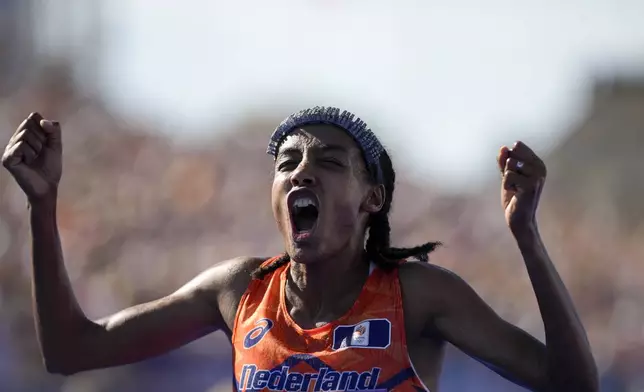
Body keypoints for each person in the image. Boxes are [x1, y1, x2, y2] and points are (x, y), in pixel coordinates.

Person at [2, 109, 598, 392]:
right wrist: (43, 206)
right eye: (287, 163)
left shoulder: (416, 294)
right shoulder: (237, 291)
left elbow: (573, 385)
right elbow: (70, 351)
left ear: (373, 198)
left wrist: (528, 238)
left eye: (328, 163)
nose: (300, 174)